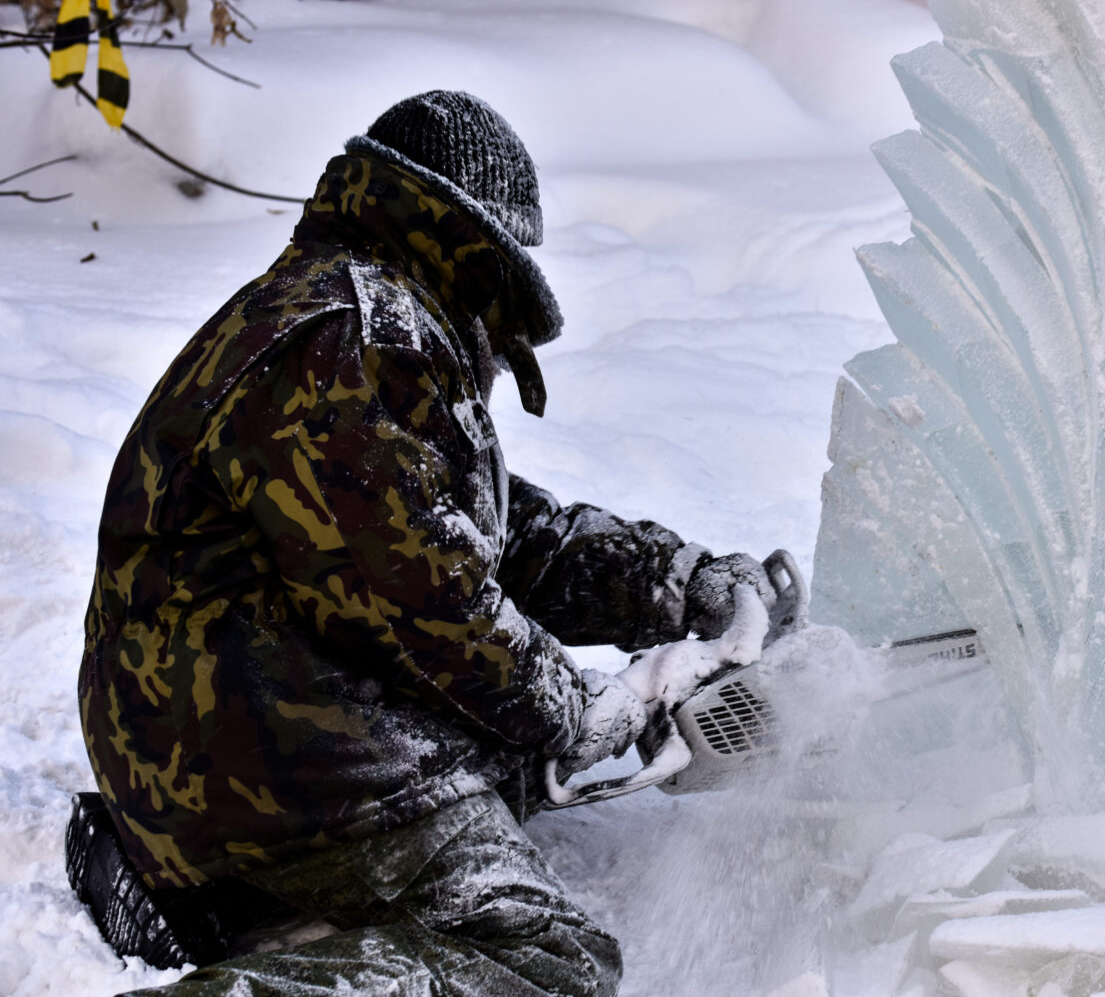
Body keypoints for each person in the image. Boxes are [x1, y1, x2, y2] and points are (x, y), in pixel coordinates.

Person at [75, 90, 779, 997]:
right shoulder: (357, 337)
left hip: (218, 734)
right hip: (254, 751)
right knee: (541, 961)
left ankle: (202, 895)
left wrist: (678, 582)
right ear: (479, 248)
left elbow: (501, 536)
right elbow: (430, 602)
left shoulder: (348, 314)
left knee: (511, 752)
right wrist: (584, 706)